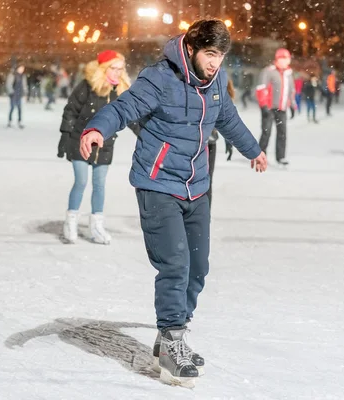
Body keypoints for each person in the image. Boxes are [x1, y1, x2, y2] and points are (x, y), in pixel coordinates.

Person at [79, 19, 268, 387]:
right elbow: (123, 108)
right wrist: (97, 127)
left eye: (221, 55)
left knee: (198, 267)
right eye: (210, 54)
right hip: (157, 183)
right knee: (175, 263)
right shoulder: (160, 78)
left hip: (195, 186)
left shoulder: (214, 83)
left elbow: (227, 118)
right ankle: (172, 341)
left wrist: (254, 149)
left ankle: (172, 336)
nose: (216, 63)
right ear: (193, 49)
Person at [58, 51, 135, 244]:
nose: (117, 72)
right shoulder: (88, 86)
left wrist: (148, 135)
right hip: (80, 141)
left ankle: (96, 226)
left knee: (99, 185)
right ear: (104, 68)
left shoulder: (122, 91)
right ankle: (71, 221)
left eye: (120, 69)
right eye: (113, 68)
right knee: (81, 181)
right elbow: (71, 111)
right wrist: (65, 137)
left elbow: (132, 117)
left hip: (105, 145)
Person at [256, 48, 296, 166]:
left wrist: (292, 105)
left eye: (286, 59)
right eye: (282, 59)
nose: (284, 61)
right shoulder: (269, 71)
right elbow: (261, 88)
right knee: (266, 132)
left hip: (281, 108)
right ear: (277, 60)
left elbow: (291, 91)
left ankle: (281, 157)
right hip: (269, 108)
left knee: (282, 133)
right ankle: (260, 154)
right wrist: (263, 106)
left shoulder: (288, 74)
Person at [206, 79, 235, 208]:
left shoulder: (220, 83)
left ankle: (203, 215)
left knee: (206, 180)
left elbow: (225, 119)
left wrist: (229, 142)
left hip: (209, 142)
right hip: (197, 141)